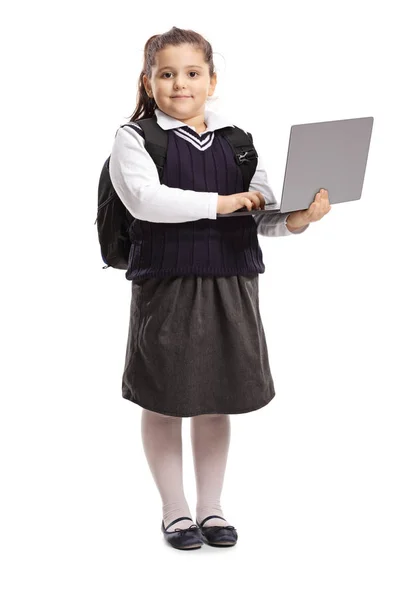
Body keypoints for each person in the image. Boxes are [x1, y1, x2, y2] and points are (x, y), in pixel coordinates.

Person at [109, 26, 331, 550]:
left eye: (192, 73)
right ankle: (175, 511)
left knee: (216, 399)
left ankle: (210, 509)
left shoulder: (237, 142)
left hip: (233, 281)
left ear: (212, 81)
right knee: (165, 398)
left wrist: (299, 217)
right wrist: (224, 203)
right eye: (167, 74)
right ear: (148, 82)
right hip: (168, 283)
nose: (180, 84)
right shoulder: (136, 137)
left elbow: (262, 215)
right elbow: (146, 201)